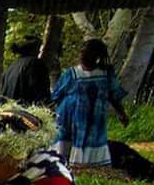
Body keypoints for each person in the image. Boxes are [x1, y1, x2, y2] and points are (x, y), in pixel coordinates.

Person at [53, 38, 129, 166]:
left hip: (95, 117)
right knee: (68, 141)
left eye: (87, 53)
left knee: (91, 139)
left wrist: (121, 113)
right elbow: (56, 95)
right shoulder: (71, 73)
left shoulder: (105, 73)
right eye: (81, 52)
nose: (82, 55)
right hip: (70, 117)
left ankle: (89, 163)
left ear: (97, 56)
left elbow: (113, 95)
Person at [0, 34, 51, 107]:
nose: (39, 52)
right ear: (33, 50)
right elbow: (41, 91)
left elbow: (0, 94)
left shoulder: (10, 67)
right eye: (38, 49)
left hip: (5, 109)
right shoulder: (35, 63)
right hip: (25, 110)